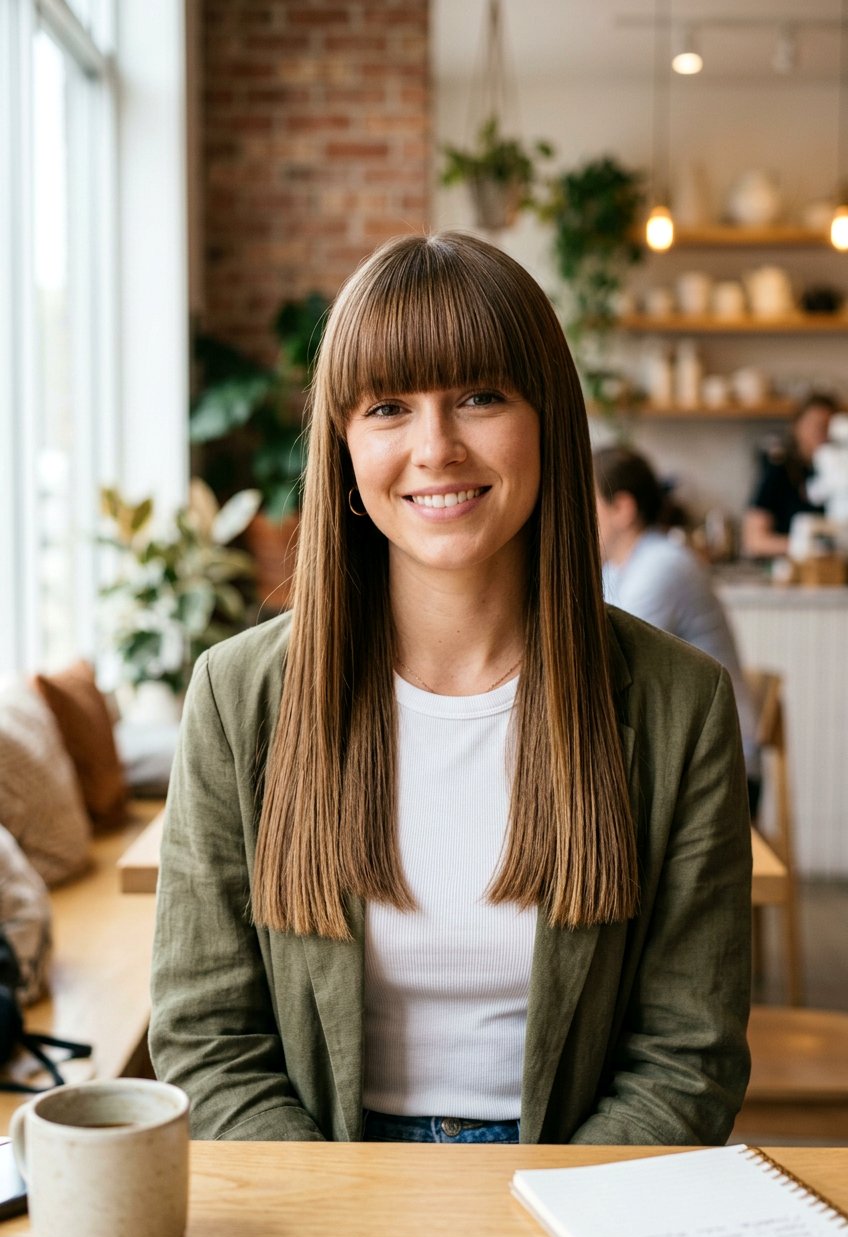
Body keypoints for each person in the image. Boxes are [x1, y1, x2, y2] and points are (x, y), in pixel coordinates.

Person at [149, 232, 751, 1146]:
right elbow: (207, 1036)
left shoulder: (678, 705)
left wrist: (539, 1224)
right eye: (389, 407)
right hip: (323, 1191)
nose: (436, 447)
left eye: (479, 396)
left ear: (548, 419)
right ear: (345, 449)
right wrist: (342, 1222)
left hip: (572, 1187)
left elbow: (687, 1052)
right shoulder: (239, 699)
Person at [593, 445, 760, 812]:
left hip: (719, 766)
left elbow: (607, 667)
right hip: (686, 753)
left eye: (587, 505)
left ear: (622, 509)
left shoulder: (662, 565)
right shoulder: (619, 569)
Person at [742, 393, 838, 558]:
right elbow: (754, 540)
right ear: (797, 427)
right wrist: (807, 547)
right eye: (814, 425)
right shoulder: (779, 472)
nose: (821, 433)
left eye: (827, 427)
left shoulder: (838, 473)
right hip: (787, 569)